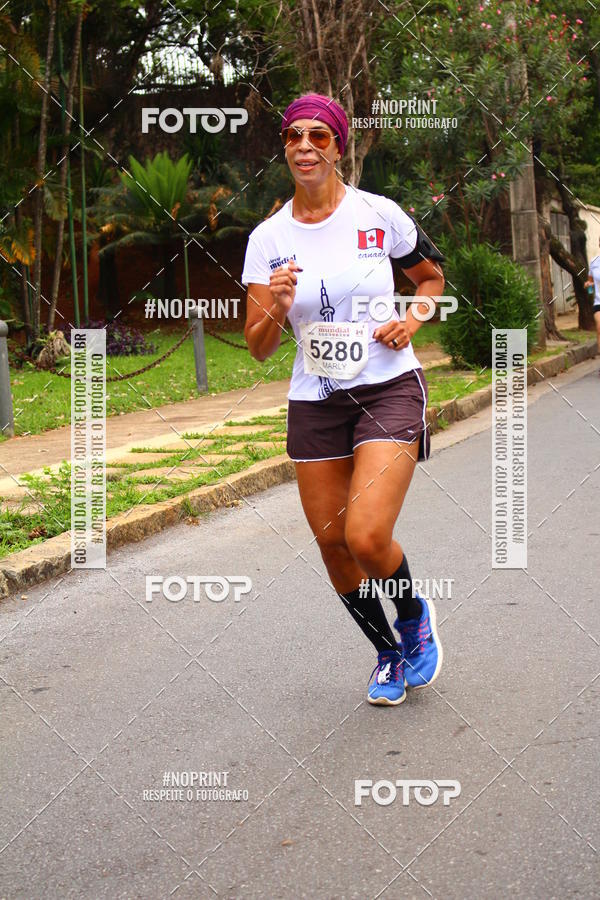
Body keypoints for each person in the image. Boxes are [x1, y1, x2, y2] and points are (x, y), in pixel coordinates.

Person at [242, 93, 445, 706]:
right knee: (331, 544)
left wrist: (411, 320)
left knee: (364, 535)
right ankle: (387, 652)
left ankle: (413, 620)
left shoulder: (378, 214)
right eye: (294, 136)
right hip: (316, 399)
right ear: (284, 149)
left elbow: (431, 277)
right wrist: (275, 308)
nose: (305, 146)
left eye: (319, 136)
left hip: (387, 387)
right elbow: (257, 347)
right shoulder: (267, 239)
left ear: (339, 145)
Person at [584, 238, 600, 373]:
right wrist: (589, 284)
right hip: (598, 302)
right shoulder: (594, 262)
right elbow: (590, 280)